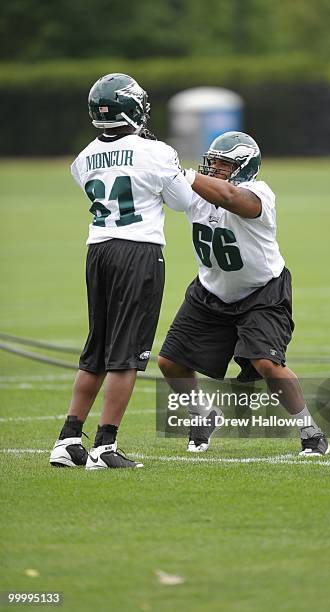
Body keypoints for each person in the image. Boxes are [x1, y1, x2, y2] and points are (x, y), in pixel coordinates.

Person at [49, 73, 192, 469]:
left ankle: (67, 440)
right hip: (138, 250)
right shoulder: (157, 152)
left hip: (98, 249)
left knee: (96, 348)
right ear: (132, 107)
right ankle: (105, 446)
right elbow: (180, 202)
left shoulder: (82, 159)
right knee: (126, 354)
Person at [158, 131, 330, 456]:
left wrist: (184, 173)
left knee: (267, 363)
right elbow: (168, 192)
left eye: (224, 165)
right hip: (211, 290)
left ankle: (310, 430)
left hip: (262, 291)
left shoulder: (259, 194)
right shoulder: (199, 191)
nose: (215, 169)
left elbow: (229, 197)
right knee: (170, 362)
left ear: (244, 168)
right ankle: (203, 415)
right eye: (214, 163)